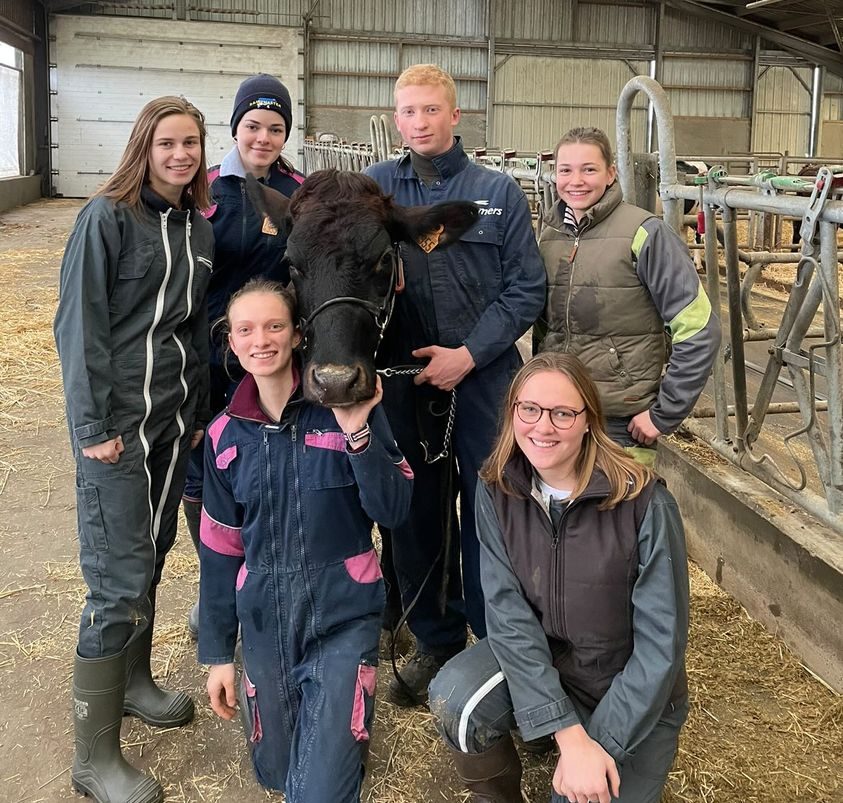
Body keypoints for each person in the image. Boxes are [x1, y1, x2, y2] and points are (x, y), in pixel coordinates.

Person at [429, 352, 690, 803]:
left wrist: (593, 750)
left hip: (624, 683)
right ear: (512, 413)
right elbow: (507, 614)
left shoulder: (644, 503)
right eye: (529, 409)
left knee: (583, 791)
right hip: (549, 661)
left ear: (589, 420)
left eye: (563, 413)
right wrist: (567, 733)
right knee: (457, 700)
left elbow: (660, 648)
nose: (542, 427)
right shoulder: (497, 490)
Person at [365, 63, 546, 706]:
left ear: (455, 115)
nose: (419, 123)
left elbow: (528, 289)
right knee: (416, 509)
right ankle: (435, 635)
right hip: (406, 380)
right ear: (395, 118)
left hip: (484, 378)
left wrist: (467, 355)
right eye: (407, 112)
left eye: (430, 111)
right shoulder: (375, 191)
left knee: (491, 506)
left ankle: (494, 640)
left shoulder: (498, 192)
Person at [54, 96, 214, 803]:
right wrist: (93, 428)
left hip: (171, 426)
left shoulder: (197, 229)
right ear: (143, 146)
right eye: (168, 142)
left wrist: (200, 413)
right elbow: (78, 327)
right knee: (116, 583)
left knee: (151, 559)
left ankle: (135, 682)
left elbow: (194, 330)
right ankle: (93, 758)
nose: (181, 154)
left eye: (192, 144)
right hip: (116, 431)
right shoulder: (107, 219)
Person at [199, 279, 413, 801]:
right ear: (231, 342)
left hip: (343, 617)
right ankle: (341, 738)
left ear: (299, 335)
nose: (261, 340)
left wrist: (359, 432)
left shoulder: (345, 409)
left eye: (275, 326)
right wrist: (218, 654)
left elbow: (395, 510)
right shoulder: (223, 436)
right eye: (246, 330)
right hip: (266, 623)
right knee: (275, 772)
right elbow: (220, 553)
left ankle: (342, 721)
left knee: (316, 792)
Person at [181, 73, 304, 638]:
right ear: (235, 128)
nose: (263, 137)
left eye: (275, 127)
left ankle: (266, 583)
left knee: (267, 467)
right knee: (204, 473)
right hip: (206, 359)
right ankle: (218, 590)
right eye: (252, 125)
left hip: (269, 358)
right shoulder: (201, 191)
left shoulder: (299, 192)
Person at [536, 126, 719, 465]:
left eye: (589, 169)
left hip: (618, 420)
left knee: (616, 513)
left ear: (610, 173)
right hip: (555, 413)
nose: (576, 180)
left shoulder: (645, 233)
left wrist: (664, 414)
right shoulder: (548, 234)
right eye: (565, 170)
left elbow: (699, 327)